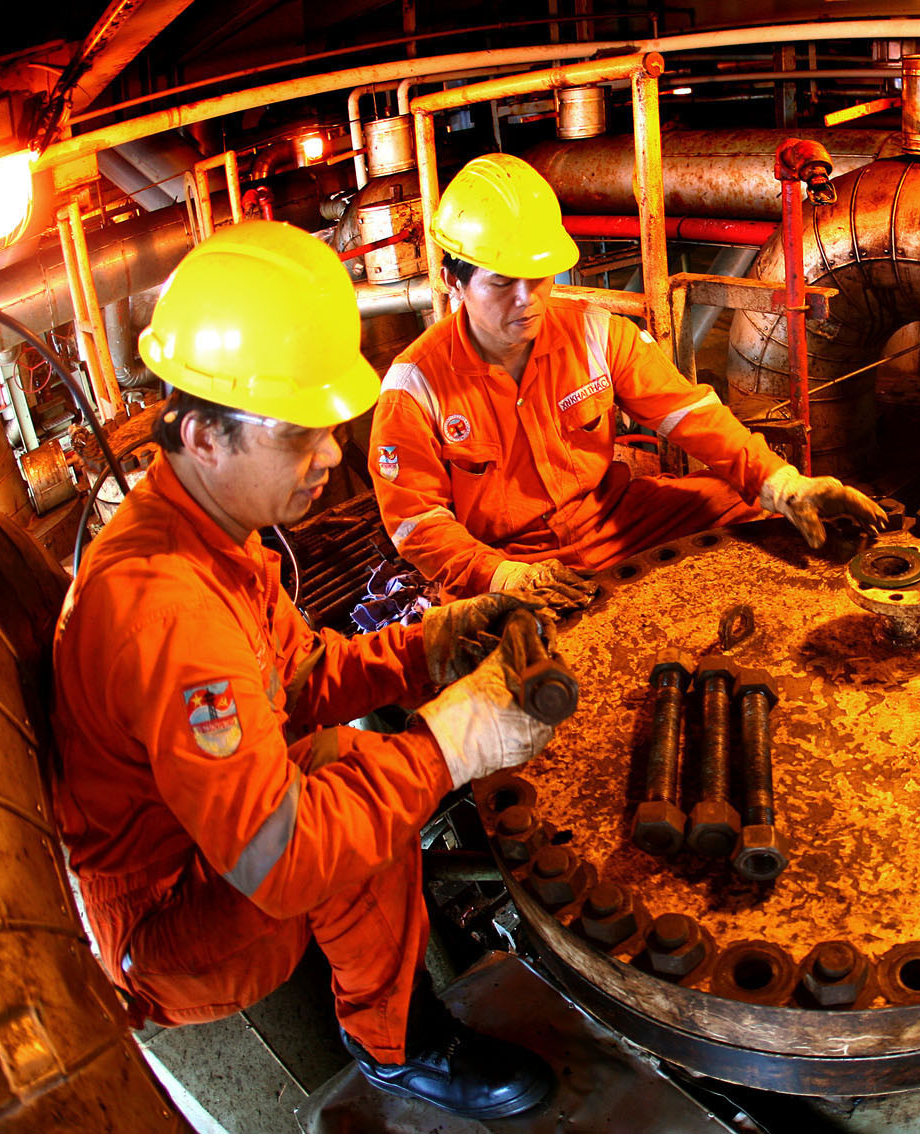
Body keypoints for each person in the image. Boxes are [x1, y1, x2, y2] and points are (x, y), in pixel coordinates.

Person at [51, 220, 565, 1121]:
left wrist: (434, 644)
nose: (331, 455)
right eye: (297, 434)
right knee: (353, 783)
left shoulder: (206, 533)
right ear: (204, 435)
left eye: (328, 428)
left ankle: (391, 998)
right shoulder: (165, 611)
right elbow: (283, 860)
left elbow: (292, 678)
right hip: (167, 926)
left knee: (354, 770)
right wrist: (452, 744)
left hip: (203, 848)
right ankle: (397, 1049)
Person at [368, 153, 884, 598]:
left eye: (539, 277)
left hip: (610, 520)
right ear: (452, 281)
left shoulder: (596, 333)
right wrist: (501, 577)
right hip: (503, 556)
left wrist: (783, 484)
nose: (528, 300)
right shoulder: (414, 389)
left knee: (739, 502)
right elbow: (417, 522)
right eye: (503, 283)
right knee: (484, 653)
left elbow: (690, 414)